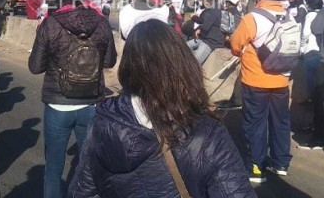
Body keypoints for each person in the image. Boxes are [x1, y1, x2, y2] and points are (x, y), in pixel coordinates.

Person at [69, 19, 256, 197]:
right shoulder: (206, 130)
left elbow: (83, 190)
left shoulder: (104, 121)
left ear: (128, 66)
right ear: (184, 64)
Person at [29, 0, 117, 198]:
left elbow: (35, 67)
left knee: (53, 169)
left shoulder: (50, 24)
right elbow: (109, 62)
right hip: (91, 103)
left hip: (58, 104)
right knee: (90, 168)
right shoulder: (100, 21)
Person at [229, 0, 291, 183]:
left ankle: (257, 167)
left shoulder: (251, 18)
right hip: (282, 80)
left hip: (256, 80)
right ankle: (281, 163)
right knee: (280, 122)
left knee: (255, 124)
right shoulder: (289, 16)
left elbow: (236, 45)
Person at [186, 0, 224, 65]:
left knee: (195, 61)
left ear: (206, 2)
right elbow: (201, 19)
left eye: (202, 2)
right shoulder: (209, 9)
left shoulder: (213, 11)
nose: (202, 4)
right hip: (203, 37)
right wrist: (194, 17)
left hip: (211, 41)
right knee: (185, 46)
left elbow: (205, 27)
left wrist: (200, 31)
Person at [299, 0, 323, 105]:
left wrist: (302, 47)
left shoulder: (310, 15)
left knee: (310, 76)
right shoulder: (323, 14)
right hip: (322, 49)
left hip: (310, 48)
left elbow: (305, 33)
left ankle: (311, 98)